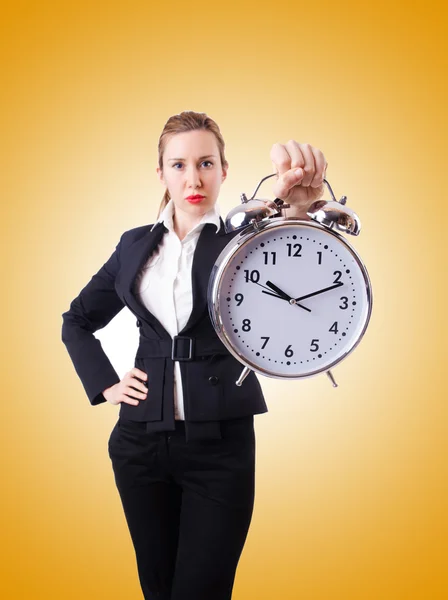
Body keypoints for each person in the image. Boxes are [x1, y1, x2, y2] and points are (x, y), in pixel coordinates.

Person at [61, 110, 327, 600]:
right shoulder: (134, 245)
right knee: (158, 589)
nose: (193, 178)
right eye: (179, 165)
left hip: (220, 447)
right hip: (139, 444)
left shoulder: (243, 239)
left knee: (201, 592)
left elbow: (298, 271)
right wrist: (105, 384)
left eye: (206, 163)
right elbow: (76, 320)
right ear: (161, 173)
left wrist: (299, 212)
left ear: (225, 170)